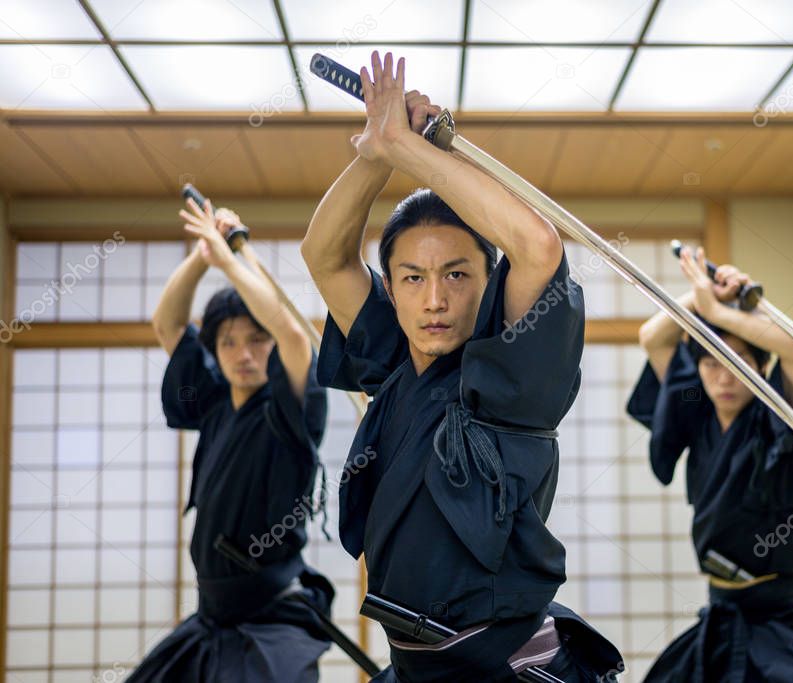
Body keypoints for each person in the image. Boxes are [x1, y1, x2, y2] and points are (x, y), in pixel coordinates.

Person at [301, 51, 623, 682]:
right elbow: (325, 257)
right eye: (413, 278)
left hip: (502, 666)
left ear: (488, 282)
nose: (435, 299)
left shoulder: (514, 382)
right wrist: (374, 153)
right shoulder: (394, 366)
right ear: (390, 289)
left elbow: (538, 246)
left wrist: (415, 151)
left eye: (456, 274)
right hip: (411, 665)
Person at [130, 202, 333, 682]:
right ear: (215, 350)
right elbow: (169, 325)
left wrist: (229, 262)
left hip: (272, 616)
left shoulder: (290, 408)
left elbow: (292, 334)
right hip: (212, 615)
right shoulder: (216, 404)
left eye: (255, 340)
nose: (242, 354)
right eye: (227, 342)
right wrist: (203, 255)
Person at [626, 246, 793, 682]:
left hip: (784, 617)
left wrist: (721, 314)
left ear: (763, 367)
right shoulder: (694, 410)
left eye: (739, 363)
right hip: (723, 613)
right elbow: (653, 337)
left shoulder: (780, 418)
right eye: (711, 363)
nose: (723, 378)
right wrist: (701, 297)